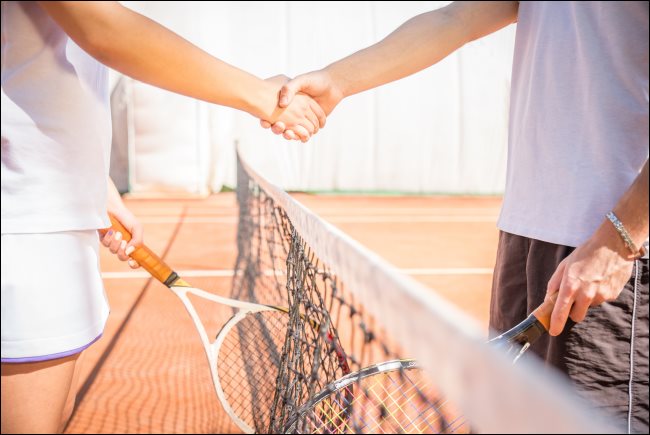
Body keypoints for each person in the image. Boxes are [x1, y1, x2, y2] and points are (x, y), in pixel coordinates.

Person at [263, 2, 649, 432]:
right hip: (527, 233)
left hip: (611, 249)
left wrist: (620, 240)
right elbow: (458, 18)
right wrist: (336, 81)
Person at [0, 1, 325, 433]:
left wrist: (94, 184)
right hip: (24, 229)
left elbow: (38, 69)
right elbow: (104, 31)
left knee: (55, 415)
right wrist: (262, 96)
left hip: (53, 218)